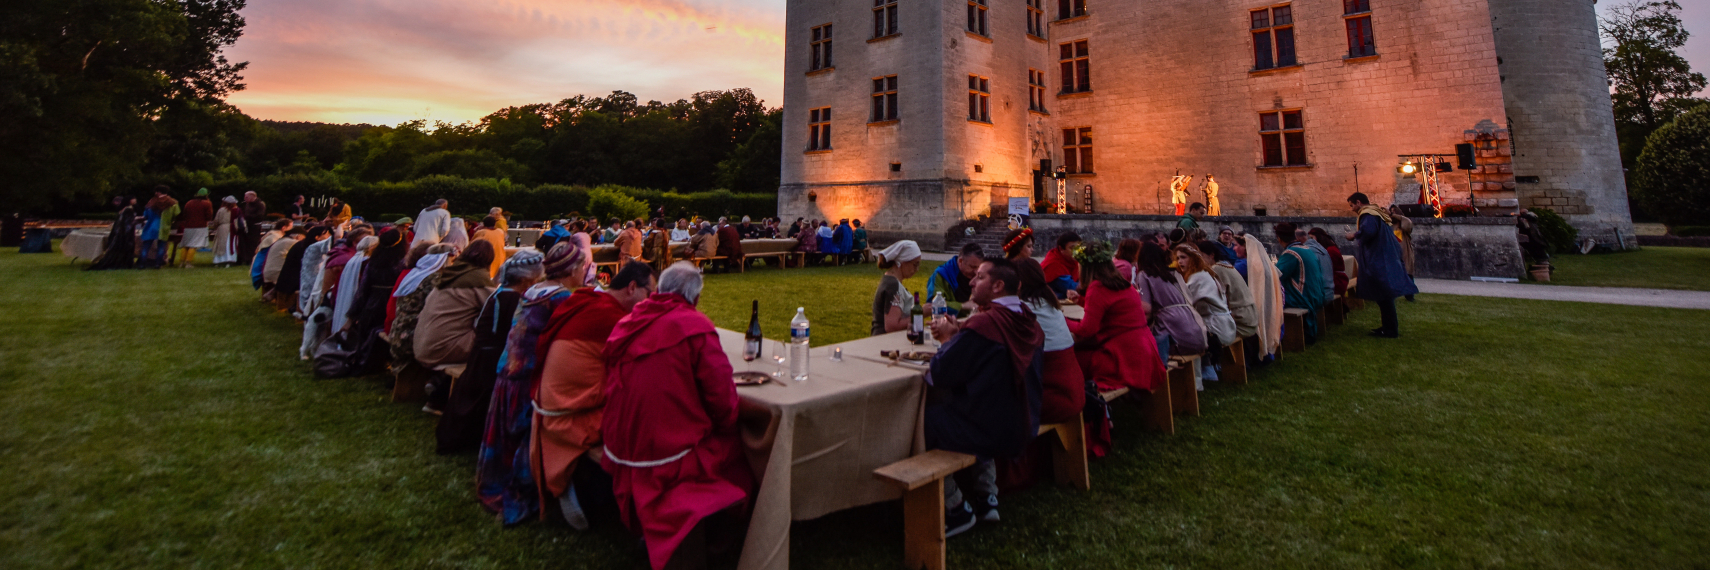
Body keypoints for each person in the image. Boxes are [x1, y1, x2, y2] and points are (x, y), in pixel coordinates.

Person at [600, 262, 754, 569]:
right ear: (695, 300)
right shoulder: (693, 326)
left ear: (658, 291)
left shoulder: (628, 321)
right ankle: (723, 533)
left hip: (618, 442)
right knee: (742, 448)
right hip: (663, 454)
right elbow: (723, 401)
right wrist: (728, 424)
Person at [531, 260, 656, 529]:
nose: (653, 301)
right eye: (651, 294)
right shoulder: (611, 319)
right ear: (632, 288)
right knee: (651, 420)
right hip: (571, 414)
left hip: (552, 401)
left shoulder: (590, 301)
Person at [923, 257, 1043, 535]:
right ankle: (987, 496)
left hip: (991, 431)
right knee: (976, 406)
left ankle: (955, 508)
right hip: (1024, 421)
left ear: (998, 286)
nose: (971, 282)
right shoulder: (1028, 321)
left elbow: (942, 372)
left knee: (924, 421)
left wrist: (946, 341)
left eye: (979, 277)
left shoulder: (986, 325)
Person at [476, 239, 582, 525]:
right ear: (572, 270)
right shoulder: (560, 297)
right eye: (582, 266)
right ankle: (525, 491)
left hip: (507, 370)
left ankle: (500, 481)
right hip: (527, 376)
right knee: (525, 437)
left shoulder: (534, 288)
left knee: (507, 434)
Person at [436, 250, 542, 454]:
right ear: (527, 278)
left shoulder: (500, 294)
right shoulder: (513, 301)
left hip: (482, 358)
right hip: (493, 363)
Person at [1068, 241, 1169, 394]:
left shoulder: (1097, 287)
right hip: (1145, 351)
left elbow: (1087, 329)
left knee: (1072, 358)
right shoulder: (1123, 283)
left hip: (1123, 356)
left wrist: (1061, 320)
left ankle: (1084, 406)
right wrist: (1082, 300)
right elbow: (1112, 307)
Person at [414, 240, 497, 372]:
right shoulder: (477, 280)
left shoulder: (449, 275)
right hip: (441, 350)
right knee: (494, 336)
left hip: (422, 345)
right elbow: (500, 307)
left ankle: (437, 383)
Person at [1345, 193, 1417, 338]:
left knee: (1384, 296)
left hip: (1379, 259)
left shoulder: (1368, 215)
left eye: (1352, 205)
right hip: (1385, 256)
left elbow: (1369, 232)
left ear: (1358, 202)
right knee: (1384, 297)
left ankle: (1390, 330)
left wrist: (1354, 235)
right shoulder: (1377, 213)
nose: (1352, 209)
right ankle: (1388, 327)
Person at [1131, 241, 1207, 362]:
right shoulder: (1174, 274)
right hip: (1195, 333)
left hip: (1173, 334)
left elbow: (1146, 309)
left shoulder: (1144, 275)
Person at [387, 243, 456, 372]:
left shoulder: (415, 273)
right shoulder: (434, 278)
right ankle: (436, 382)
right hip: (413, 335)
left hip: (398, 330)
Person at [1175, 244, 1235, 384]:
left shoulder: (1197, 277)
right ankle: (1207, 368)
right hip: (1225, 324)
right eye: (1177, 258)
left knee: (1187, 336)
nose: (1179, 262)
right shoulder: (1204, 274)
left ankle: (1198, 377)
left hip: (1217, 327)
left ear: (1193, 259)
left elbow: (1185, 302)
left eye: (1183, 258)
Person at [1195, 241, 1258, 342]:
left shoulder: (1216, 270)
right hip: (1250, 317)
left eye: (1201, 256)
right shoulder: (1225, 266)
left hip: (1241, 322)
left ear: (1212, 255)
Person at [1274, 222, 1326, 343]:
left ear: (1279, 238)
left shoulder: (1290, 253)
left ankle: (1276, 337)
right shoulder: (1306, 249)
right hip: (1316, 294)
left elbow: (1276, 276)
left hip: (1303, 298)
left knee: (1268, 299)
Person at [871, 240, 923, 336]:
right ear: (901, 262)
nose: (916, 269)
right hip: (884, 343)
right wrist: (921, 314)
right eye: (915, 265)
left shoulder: (891, 281)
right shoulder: (892, 285)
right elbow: (892, 326)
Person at [927, 243, 983, 315]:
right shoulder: (942, 275)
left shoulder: (982, 276)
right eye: (972, 267)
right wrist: (962, 306)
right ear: (960, 261)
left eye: (978, 267)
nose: (976, 272)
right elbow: (931, 305)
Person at [262, 229, 304, 302]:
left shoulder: (280, 241)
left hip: (266, 272)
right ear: (298, 236)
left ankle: (273, 292)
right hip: (278, 273)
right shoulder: (294, 243)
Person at [176, 189, 213, 268]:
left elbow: (184, 214)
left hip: (188, 227)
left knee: (186, 244)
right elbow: (209, 216)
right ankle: (188, 263)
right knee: (194, 244)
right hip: (200, 226)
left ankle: (182, 262)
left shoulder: (189, 203)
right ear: (206, 195)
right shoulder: (207, 203)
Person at [1308, 229, 1349, 298]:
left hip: (1337, 281)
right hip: (1335, 279)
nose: (1311, 241)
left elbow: (1327, 268)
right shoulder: (1328, 248)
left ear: (1319, 237)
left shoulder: (1330, 250)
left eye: (1312, 238)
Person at [1040, 232, 1082, 299]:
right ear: (1061, 249)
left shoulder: (1074, 261)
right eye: (1072, 248)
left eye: (1078, 248)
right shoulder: (1053, 264)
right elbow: (1072, 288)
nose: (1076, 251)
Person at [1388, 205, 1417, 301]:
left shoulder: (1404, 223)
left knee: (1408, 274)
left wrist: (1393, 215)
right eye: (1391, 211)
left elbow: (1407, 223)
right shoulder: (1390, 225)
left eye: (1394, 211)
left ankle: (1409, 296)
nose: (1392, 213)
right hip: (1393, 254)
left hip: (1405, 253)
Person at [1300, 228, 1336, 302]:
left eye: (1312, 238)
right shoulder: (1324, 249)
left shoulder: (1312, 251)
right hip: (1330, 287)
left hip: (1327, 288)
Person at [211, 196, 242, 267]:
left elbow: (216, 221)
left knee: (221, 245)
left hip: (222, 228)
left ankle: (218, 260)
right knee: (230, 245)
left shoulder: (221, 210)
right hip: (233, 228)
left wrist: (215, 227)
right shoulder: (236, 210)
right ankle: (229, 260)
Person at [239, 191, 267, 265]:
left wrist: (248, 217)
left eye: (246, 197)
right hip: (247, 226)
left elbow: (260, 215)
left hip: (255, 227)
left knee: (253, 243)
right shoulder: (246, 204)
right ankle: (245, 258)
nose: (245, 198)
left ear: (252, 196)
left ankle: (252, 259)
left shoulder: (260, 205)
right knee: (245, 243)